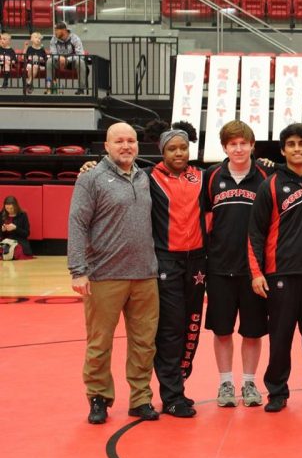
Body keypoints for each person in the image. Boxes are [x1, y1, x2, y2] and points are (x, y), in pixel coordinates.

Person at [67, 122, 160, 424]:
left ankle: (141, 398)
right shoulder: (90, 179)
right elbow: (78, 224)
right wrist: (77, 270)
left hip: (145, 275)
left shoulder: (145, 178)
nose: (126, 146)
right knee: (99, 343)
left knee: (144, 342)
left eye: (131, 140)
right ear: (106, 146)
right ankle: (98, 398)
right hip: (104, 275)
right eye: (118, 141)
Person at [248, 123, 302, 413]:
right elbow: (255, 233)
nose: (297, 149)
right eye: (291, 144)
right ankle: (277, 392)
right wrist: (257, 272)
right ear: (283, 150)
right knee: (280, 339)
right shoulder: (269, 184)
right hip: (279, 274)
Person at [202, 121, 270, 408]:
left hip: (255, 271)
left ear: (252, 145)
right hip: (219, 267)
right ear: (225, 147)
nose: (239, 148)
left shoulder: (268, 175)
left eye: (244, 143)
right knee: (222, 330)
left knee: (253, 331)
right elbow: (203, 221)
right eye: (233, 144)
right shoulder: (210, 176)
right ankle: (226, 382)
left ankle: (250, 383)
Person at [144, 121, 206, 418]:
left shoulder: (202, 177)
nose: (179, 153)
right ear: (162, 151)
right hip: (166, 262)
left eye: (183, 147)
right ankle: (170, 396)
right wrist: (89, 166)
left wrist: (267, 163)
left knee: (191, 325)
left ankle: (179, 387)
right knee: (170, 330)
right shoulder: (148, 178)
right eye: (172, 148)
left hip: (197, 263)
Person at [49, 21, 87, 94]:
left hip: (72, 63)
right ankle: (50, 88)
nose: (55, 32)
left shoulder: (75, 38)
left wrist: (67, 59)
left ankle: (81, 89)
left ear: (64, 30)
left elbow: (80, 54)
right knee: (49, 61)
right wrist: (60, 58)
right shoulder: (53, 39)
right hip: (59, 62)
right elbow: (53, 53)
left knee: (81, 61)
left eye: (56, 30)